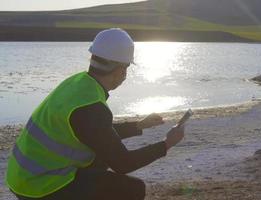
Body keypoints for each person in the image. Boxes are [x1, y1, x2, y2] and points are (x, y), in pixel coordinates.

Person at [5, 28, 185, 200]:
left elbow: (95, 132)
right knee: (133, 188)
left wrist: (138, 125)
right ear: (121, 70)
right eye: (126, 69)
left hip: (21, 175)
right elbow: (123, 163)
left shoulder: (77, 83)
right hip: (39, 187)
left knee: (99, 160)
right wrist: (167, 144)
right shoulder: (92, 107)